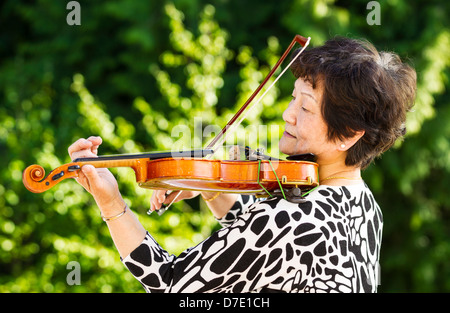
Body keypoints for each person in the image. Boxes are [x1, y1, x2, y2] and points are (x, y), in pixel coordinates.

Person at [68, 37, 416, 292]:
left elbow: (170, 283)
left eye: (306, 108)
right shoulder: (365, 206)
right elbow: (262, 253)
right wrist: (209, 185)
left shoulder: (289, 220)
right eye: (293, 97)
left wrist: (111, 203)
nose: (287, 114)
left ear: (349, 134)